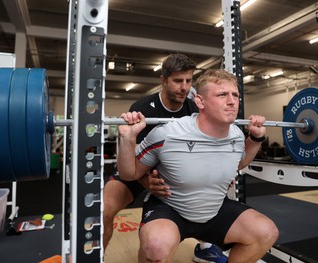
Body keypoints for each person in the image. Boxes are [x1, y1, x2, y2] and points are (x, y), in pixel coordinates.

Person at [116, 69, 279, 263]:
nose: (231, 101)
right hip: (171, 209)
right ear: (200, 102)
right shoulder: (167, 134)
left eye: (235, 95)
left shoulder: (236, 134)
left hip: (214, 209)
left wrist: (255, 138)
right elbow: (129, 174)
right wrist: (127, 139)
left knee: (266, 232)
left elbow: (240, 162)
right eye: (222, 95)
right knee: (156, 247)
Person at [103, 54, 228, 262]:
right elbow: (133, 161)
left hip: (172, 173)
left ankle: (205, 247)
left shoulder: (194, 110)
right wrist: (146, 183)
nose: (184, 87)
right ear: (163, 80)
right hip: (139, 169)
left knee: (214, 189)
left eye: (188, 81)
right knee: (104, 208)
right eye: (178, 81)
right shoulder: (142, 108)